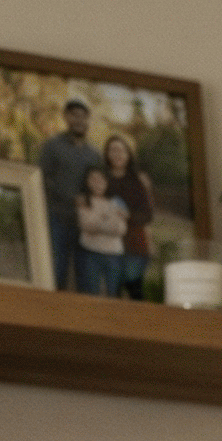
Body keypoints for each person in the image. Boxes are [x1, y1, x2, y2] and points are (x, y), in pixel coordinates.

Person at [38, 99, 102, 291]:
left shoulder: (94, 154)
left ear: (88, 120)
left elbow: (100, 185)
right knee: (57, 273)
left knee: (87, 278)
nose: (79, 120)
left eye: (83, 116)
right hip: (58, 218)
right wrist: (66, 196)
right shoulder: (52, 146)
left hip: (85, 224)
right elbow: (40, 179)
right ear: (66, 117)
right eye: (74, 115)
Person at [103, 133, 155, 301]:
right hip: (109, 246)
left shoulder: (138, 181)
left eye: (121, 150)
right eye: (113, 150)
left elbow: (147, 215)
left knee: (135, 292)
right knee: (113, 293)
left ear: (128, 155)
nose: (117, 154)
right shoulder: (99, 180)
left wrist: (128, 216)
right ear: (107, 154)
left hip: (134, 246)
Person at [75, 165, 128, 299]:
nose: (97, 183)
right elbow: (86, 226)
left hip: (113, 255)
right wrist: (108, 218)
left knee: (113, 294)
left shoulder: (117, 201)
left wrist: (97, 221)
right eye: (93, 179)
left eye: (101, 179)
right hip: (90, 253)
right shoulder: (82, 200)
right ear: (87, 181)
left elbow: (120, 229)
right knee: (91, 294)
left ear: (107, 181)